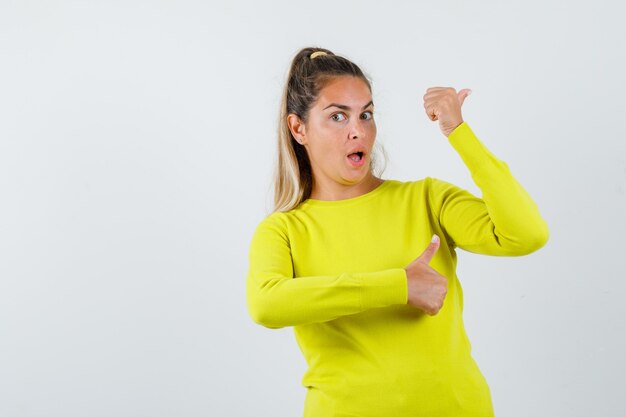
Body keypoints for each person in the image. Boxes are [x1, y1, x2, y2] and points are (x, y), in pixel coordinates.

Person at [245, 47, 549, 417]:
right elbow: (266, 304)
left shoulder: (427, 199)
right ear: (299, 128)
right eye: (338, 116)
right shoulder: (284, 229)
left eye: (366, 114)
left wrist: (459, 132)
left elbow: (526, 234)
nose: (358, 130)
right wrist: (399, 286)